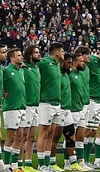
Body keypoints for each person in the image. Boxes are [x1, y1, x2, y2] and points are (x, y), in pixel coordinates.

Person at [37, 43, 65, 171]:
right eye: (62, 51)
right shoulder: (44, 62)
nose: (64, 53)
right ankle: (41, 163)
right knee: (44, 133)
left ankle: (47, 163)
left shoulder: (57, 65)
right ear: (57, 52)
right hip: (46, 103)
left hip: (56, 103)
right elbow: (29, 65)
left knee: (51, 134)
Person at [2, 48, 27, 171]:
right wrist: (2, 93)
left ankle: (15, 164)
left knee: (20, 137)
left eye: (21, 55)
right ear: (11, 58)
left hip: (22, 106)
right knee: (11, 137)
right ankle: (6, 164)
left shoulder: (21, 71)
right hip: (11, 107)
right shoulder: (6, 71)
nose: (21, 57)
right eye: (18, 56)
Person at [21, 45, 42, 172]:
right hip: (27, 105)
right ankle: (18, 163)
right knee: (23, 136)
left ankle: (28, 163)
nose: (39, 54)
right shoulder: (23, 68)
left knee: (31, 137)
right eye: (36, 52)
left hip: (36, 105)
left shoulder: (37, 68)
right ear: (30, 55)